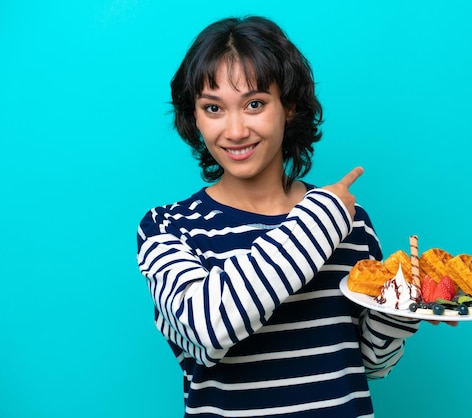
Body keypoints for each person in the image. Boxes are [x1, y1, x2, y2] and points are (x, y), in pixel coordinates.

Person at [136, 16, 433, 418]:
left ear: (289, 107)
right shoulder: (168, 227)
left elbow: (371, 364)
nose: (236, 130)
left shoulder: (353, 223)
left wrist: (399, 313)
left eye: (254, 104)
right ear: (196, 117)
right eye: (213, 108)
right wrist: (318, 222)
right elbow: (206, 330)